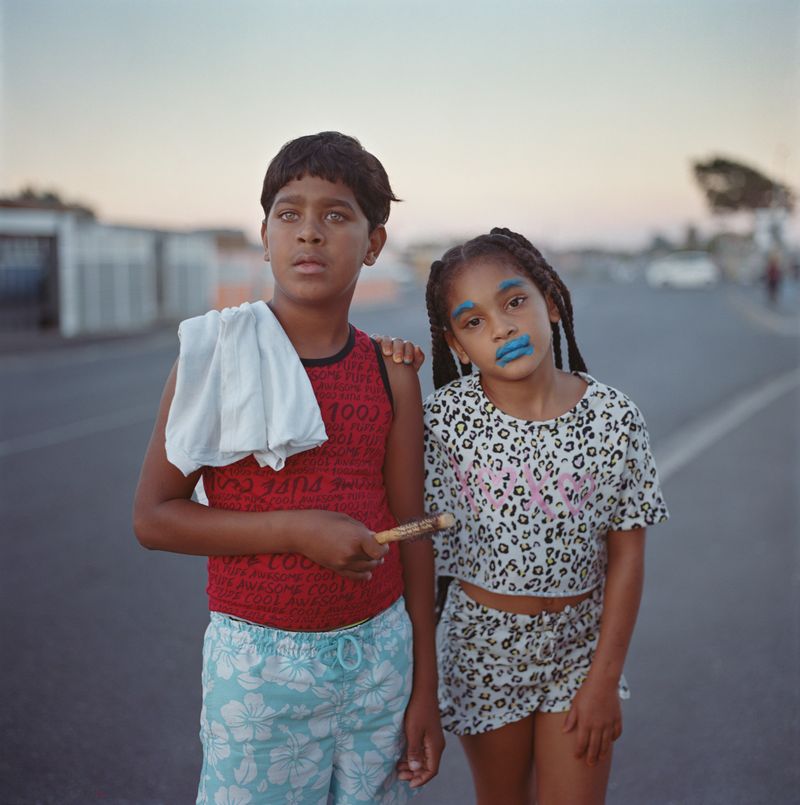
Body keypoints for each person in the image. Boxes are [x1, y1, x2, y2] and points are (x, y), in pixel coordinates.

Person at [133, 132, 443, 804]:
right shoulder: (214, 355)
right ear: (265, 234)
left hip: (380, 663)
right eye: (289, 214)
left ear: (374, 243)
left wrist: (425, 685)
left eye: (336, 215)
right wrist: (296, 529)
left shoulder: (392, 373)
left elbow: (413, 526)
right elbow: (154, 517)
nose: (309, 233)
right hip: (259, 672)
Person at [422, 227, 669, 805]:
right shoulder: (444, 423)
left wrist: (605, 679)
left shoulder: (614, 418)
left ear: (550, 303)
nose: (502, 327)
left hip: (581, 651)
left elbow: (628, 556)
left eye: (514, 302)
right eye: (474, 321)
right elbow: (412, 543)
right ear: (457, 345)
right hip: (483, 649)